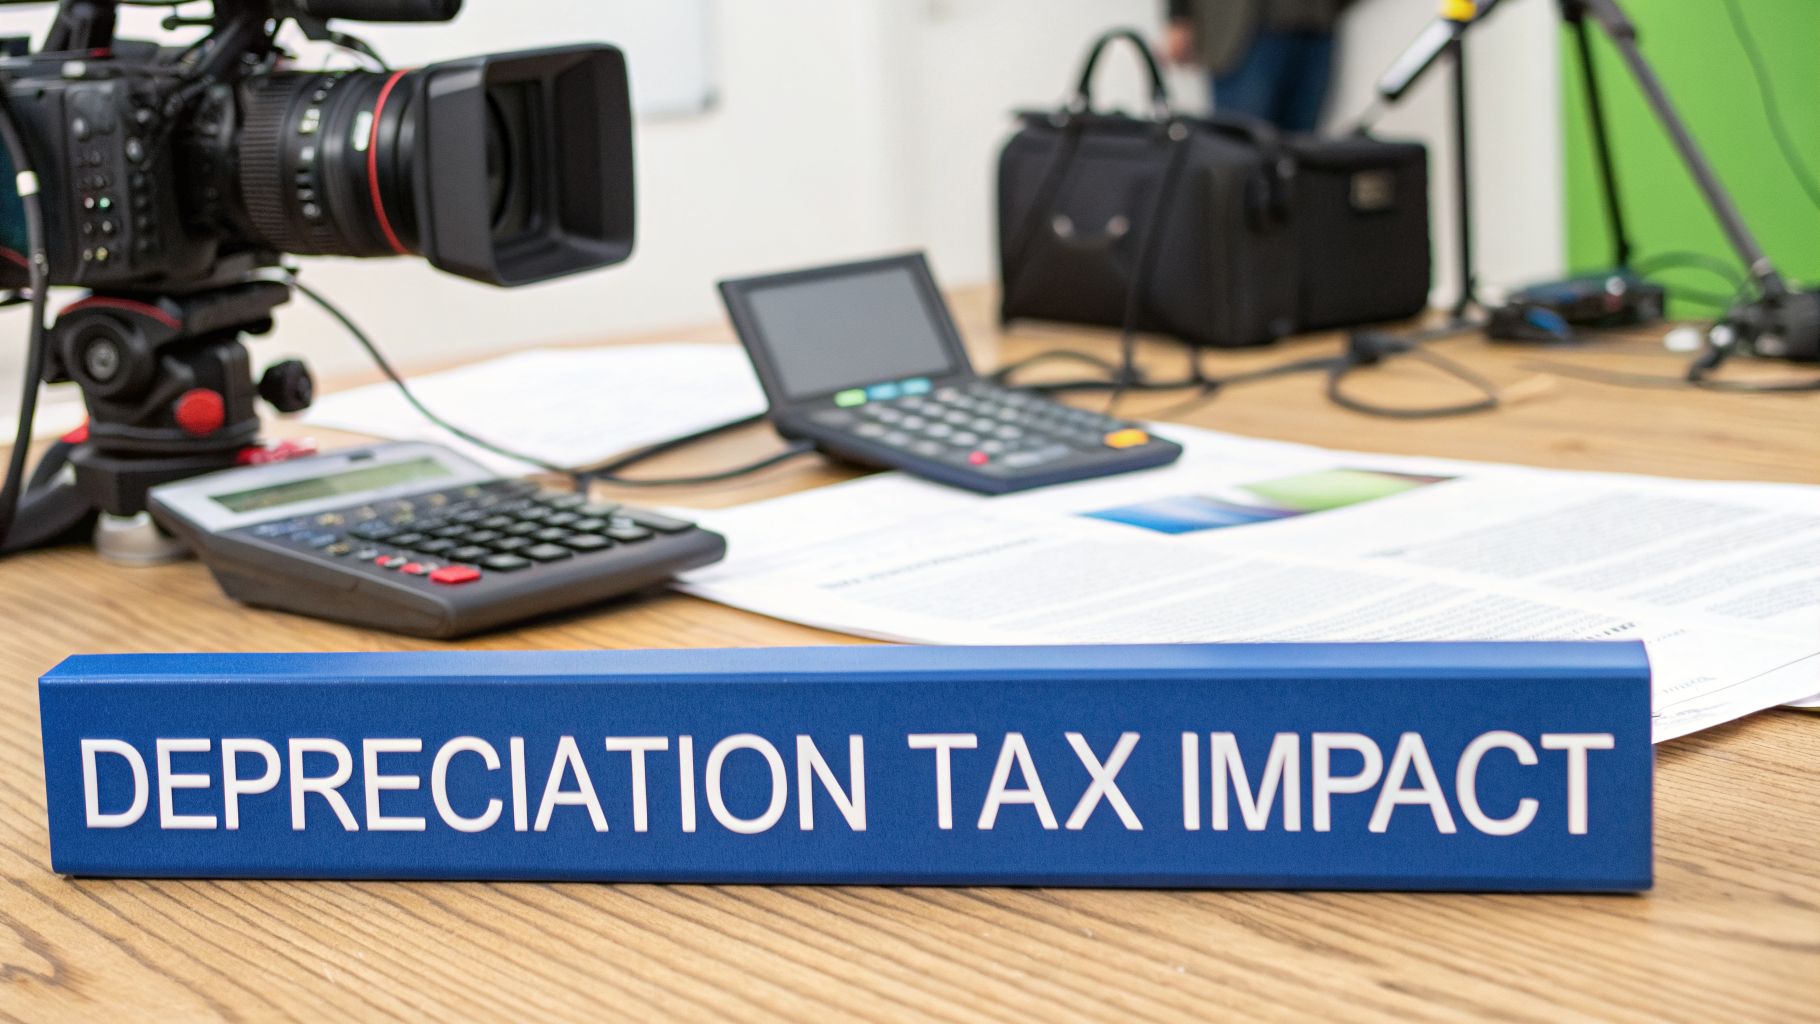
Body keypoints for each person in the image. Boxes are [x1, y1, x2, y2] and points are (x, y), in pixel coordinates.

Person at [1165, 0, 1355, 132]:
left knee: (1302, 156)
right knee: (1239, 150)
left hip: (1315, 26)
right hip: (1245, 33)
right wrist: (1180, 14)